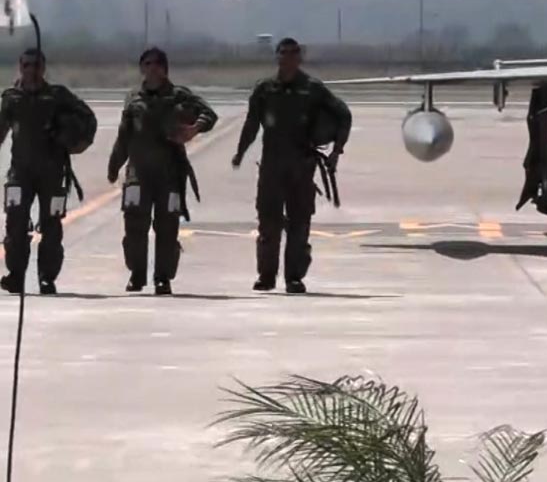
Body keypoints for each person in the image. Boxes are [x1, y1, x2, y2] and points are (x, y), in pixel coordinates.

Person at [233, 37, 351, 294]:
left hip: (301, 166)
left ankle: (294, 277)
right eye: (283, 53)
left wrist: (336, 152)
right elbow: (252, 124)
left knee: (299, 224)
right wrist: (240, 153)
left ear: (299, 58)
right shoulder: (264, 89)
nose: (287, 58)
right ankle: (266, 276)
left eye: (293, 53)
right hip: (272, 167)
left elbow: (344, 115)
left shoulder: (313, 89)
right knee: (268, 223)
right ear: (277, 57)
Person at [107, 47, 218, 295]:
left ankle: (162, 278)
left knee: (167, 228)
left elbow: (209, 114)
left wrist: (193, 129)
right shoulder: (133, 99)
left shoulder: (179, 96)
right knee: (134, 226)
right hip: (138, 174)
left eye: (157, 64)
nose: (152, 68)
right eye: (147, 63)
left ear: (165, 69)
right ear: (142, 68)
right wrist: (114, 165)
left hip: (169, 175)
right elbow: (124, 135)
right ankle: (137, 275)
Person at [0, 48, 97, 295]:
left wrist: (75, 140)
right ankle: (16, 275)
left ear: (43, 68)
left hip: (52, 174)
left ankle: (47, 277)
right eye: (27, 65)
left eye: (36, 65)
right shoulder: (11, 98)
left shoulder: (57, 97)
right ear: (20, 67)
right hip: (20, 173)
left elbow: (87, 118)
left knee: (51, 226)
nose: (31, 71)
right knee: (15, 223)